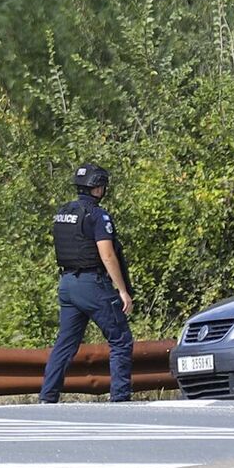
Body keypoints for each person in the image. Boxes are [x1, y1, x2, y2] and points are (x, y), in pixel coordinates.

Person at [40, 163, 135, 403]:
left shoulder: (64, 211)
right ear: (97, 188)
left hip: (67, 283)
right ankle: (120, 397)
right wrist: (122, 290)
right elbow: (107, 255)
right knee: (120, 339)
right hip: (92, 283)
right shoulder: (97, 215)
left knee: (65, 342)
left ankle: (47, 395)